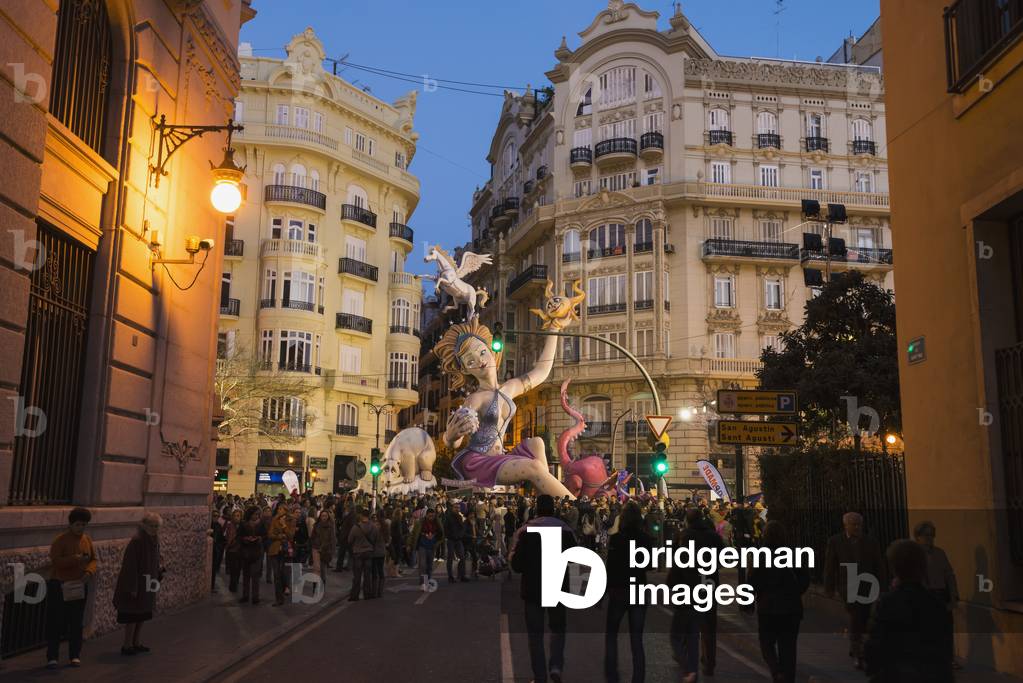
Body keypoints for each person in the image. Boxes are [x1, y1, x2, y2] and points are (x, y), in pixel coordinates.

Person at [864, 539, 953, 682]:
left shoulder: (887, 603)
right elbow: (944, 651)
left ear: (894, 568)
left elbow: (875, 647)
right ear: (923, 567)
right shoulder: (935, 603)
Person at [510, 494, 575, 683]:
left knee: (535, 635)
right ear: (554, 508)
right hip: (558, 589)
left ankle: (540, 676)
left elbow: (517, 565)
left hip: (533, 589)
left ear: (537, 508)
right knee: (558, 629)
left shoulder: (527, 531)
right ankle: (556, 666)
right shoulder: (565, 531)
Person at [824, 511, 887, 670]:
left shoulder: (870, 542)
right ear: (846, 525)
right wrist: (829, 587)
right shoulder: (836, 541)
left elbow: (878, 564)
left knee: (864, 617)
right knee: (856, 617)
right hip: (848, 585)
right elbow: (830, 566)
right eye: (854, 524)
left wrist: (882, 586)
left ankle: (856, 646)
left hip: (867, 584)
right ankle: (859, 652)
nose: (857, 527)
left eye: (859, 524)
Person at [749, 520, 810, 683]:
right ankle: (788, 677)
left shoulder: (760, 554)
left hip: (767, 607)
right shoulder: (793, 553)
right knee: (788, 647)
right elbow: (804, 579)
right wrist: (796, 592)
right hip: (791, 607)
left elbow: (752, 581)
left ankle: (776, 671)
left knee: (766, 643)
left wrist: (749, 602)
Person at [668, 507, 724, 682]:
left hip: (688, 585)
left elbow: (676, 560)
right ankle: (709, 662)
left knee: (686, 624)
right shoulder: (714, 537)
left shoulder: (683, 536)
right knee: (709, 625)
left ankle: (685, 658)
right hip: (709, 584)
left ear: (688, 520)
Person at [603, 501, 653, 683]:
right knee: (637, 639)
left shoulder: (617, 539)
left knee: (611, 634)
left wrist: (604, 592)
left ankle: (612, 675)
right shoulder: (645, 539)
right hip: (638, 588)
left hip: (619, 589)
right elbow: (650, 565)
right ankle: (638, 678)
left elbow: (610, 567)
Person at [46, 507, 97, 669]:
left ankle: (75, 655)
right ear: (71, 524)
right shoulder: (60, 540)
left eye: (83, 525)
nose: (80, 528)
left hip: (79, 585)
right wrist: (75, 559)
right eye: (78, 525)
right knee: (57, 621)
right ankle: (52, 656)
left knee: (76, 622)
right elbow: (56, 562)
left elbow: (93, 560)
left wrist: (89, 571)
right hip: (60, 584)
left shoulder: (87, 540)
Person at [113, 512, 163, 656]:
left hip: (148, 582)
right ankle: (127, 644)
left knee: (143, 614)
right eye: (152, 526)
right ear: (144, 525)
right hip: (138, 583)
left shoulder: (154, 539)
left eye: (156, 526)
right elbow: (130, 565)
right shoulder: (137, 540)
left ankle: (136, 642)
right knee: (132, 616)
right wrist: (132, 586)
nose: (154, 529)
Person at [914, 520, 959, 669]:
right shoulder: (915, 554)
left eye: (932, 535)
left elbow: (949, 575)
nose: (929, 538)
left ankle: (949, 658)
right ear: (918, 537)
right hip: (925, 596)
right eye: (926, 535)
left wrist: (953, 596)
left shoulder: (940, 552)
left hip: (942, 594)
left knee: (946, 628)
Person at [267, 505, 296, 606]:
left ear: (286, 511)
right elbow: (270, 534)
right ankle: (278, 598)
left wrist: (284, 526)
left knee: (284, 573)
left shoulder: (291, 520)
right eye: (278, 509)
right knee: (276, 575)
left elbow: (291, 536)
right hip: (275, 550)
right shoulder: (274, 519)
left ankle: (285, 587)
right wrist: (280, 536)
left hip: (286, 550)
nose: (279, 511)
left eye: (281, 509)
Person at [347, 507, 378, 601]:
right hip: (369, 552)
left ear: (361, 516)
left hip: (358, 552)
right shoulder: (373, 526)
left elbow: (349, 540)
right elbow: (376, 538)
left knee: (357, 575)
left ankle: (354, 595)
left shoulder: (356, 527)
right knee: (367, 575)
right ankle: (367, 594)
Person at [408, 507, 443, 588]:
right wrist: (409, 544)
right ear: (426, 515)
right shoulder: (420, 522)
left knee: (429, 565)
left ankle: (428, 580)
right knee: (423, 565)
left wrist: (435, 537)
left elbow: (441, 533)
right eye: (430, 516)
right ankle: (423, 582)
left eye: (433, 516)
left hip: (432, 545)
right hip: (422, 545)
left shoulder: (437, 522)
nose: (431, 518)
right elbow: (413, 534)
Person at [238, 506, 266, 604]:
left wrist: (259, 538)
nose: (256, 516)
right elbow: (239, 536)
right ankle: (245, 595)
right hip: (246, 551)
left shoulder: (261, 524)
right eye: (254, 514)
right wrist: (245, 539)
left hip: (257, 551)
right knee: (246, 575)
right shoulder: (244, 523)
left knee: (255, 575)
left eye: (257, 514)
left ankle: (255, 596)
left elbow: (264, 535)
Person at [310, 509, 337, 587]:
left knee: (323, 569)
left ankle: (322, 586)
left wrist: (332, 551)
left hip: (326, 550)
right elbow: (312, 536)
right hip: (316, 548)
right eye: (322, 515)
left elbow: (333, 539)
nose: (324, 517)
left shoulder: (330, 526)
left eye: (325, 516)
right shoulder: (316, 525)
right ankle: (315, 587)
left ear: (328, 517)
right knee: (317, 568)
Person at [444, 504, 467, 583]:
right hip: (451, 539)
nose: (457, 509)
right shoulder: (448, 517)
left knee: (462, 557)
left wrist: (460, 535)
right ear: (452, 508)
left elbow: (462, 528)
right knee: (450, 558)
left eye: (458, 508)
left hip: (458, 539)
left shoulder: (460, 517)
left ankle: (461, 575)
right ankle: (450, 576)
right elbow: (446, 529)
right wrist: (450, 536)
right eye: (456, 508)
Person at [370, 511, 389, 598]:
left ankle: (374, 592)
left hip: (374, 551)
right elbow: (388, 539)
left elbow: (371, 539)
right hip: (381, 551)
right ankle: (380, 592)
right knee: (380, 571)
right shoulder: (385, 526)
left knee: (374, 572)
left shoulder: (374, 526)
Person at [224, 508, 243, 593]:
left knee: (238, 569)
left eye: (238, 516)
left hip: (240, 550)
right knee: (233, 569)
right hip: (232, 550)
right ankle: (233, 585)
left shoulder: (242, 526)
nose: (237, 518)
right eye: (235, 516)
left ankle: (234, 584)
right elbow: (227, 537)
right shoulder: (229, 525)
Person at [210, 508, 226, 593]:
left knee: (213, 570)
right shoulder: (209, 525)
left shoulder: (218, 526)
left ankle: (212, 586)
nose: (216, 517)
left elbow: (221, 538)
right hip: (211, 550)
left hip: (216, 550)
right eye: (214, 516)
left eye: (217, 516)